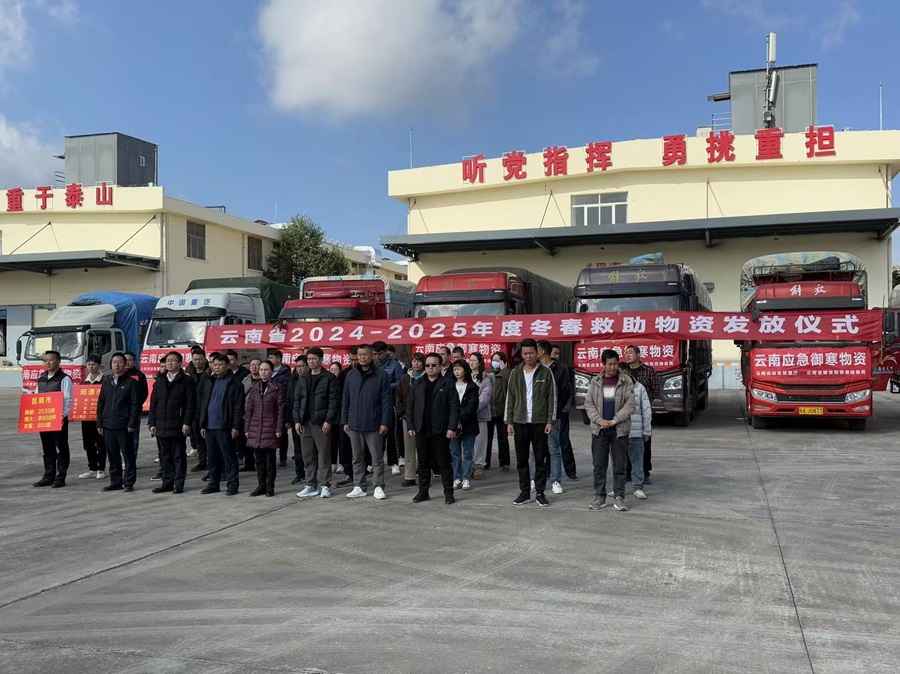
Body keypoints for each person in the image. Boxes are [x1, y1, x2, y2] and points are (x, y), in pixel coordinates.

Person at [505, 338, 556, 507]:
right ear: (521, 354)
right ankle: (525, 492)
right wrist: (509, 421)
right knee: (521, 459)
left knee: (540, 459)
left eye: (531, 353)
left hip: (539, 422)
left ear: (537, 353)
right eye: (525, 353)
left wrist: (550, 420)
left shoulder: (546, 372)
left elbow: (552, 397)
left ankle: (540, 492)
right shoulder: (515, 373)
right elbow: (510, 398)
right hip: (520, 422)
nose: (528, 356)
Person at [584, 349, 636, 512]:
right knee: (599, 464)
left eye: (615, 364)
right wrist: (599, 420)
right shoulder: (595, 382)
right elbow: (589, 403)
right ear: (603, 364)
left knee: (620, 465)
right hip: (599, 429)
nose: (613, 367)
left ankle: (619, 496)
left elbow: (630, 404)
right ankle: (600, 496)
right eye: (609, 364)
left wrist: (615, 420)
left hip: (619, 429)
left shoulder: (626, 381)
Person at [341, 344, 392, 500]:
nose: (362, 357)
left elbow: (386, 402)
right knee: (357, 457)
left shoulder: (381, 375)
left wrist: (385, 422)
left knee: (376, 457)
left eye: (365, 354)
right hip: (354, 422)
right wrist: (345, 421)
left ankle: (378, 486)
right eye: (360, 354)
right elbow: (346, 400)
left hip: (374, 423)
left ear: (372, 356)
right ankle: (359, 486)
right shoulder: (351, 375)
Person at [406, 352, 456, 504]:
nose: (430, 368)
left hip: (440, 430)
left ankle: (448, 493)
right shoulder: (418, 383)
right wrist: (411, 425)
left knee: (444, 463)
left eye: (433, 365)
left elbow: (454, 408)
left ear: (440, 366)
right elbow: (410, 406)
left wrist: (451, 427)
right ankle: (423, 492)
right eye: (427, 365)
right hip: (421, 429)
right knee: (423, 463)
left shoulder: (447, 384)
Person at [293, 347, 340, 499]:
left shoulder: (328, 377)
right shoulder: (303, 378)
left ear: (321, 359)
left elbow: (334, 401)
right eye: (309, 359)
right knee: (308, 456)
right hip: (305, 423)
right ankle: (311, 485)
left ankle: (325, 485)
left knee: (324, 455)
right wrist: (297, 420)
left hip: (321, 423)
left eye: (314, 358)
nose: (311, 361)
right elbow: (297, 400)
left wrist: (328, 420)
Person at [148, 351, 196, 494]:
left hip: (178, 425)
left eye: (173, 360)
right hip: (161, 425)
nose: (169, 363)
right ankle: (167, 483)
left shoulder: (186, 381)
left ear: (180, 363)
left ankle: (179, 483)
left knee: (178, 456)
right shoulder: (160, 380)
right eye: (168, 360)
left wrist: (187, 423)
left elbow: (190, 404)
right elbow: (154, 403)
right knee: (165, 456)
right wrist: (152, 423)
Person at [198, 352, 245, 496]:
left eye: (220, 364)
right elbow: (203, 403)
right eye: (215, 364)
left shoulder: (235, 383)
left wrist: (235, 426)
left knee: (229, 457)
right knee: (212, 458)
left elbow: (238, 407)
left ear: (228, 365)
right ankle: (214, 484)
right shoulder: (209, 381)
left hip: (225, 426)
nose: (217, 367)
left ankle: (232, 485)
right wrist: (202, 424)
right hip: (209, 426)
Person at [97, 352, 141, 492]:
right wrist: (99, 423)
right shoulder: (107, 382)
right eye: (114, 362)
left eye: (120, 362)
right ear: (111, 364)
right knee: (112, 455)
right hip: (108, 424)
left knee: (128, 455)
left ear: (125, 364)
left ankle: (129, 482)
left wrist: (132, 423)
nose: (117, 365)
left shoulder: (131, 382)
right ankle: (115, 482)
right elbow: (101, 403)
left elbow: (135, 405)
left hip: (124, 425)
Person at [32, 350, 73, 488]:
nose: (47, 363)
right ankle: (49, 476)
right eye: (45, 360)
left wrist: (62, 416)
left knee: (61, 448)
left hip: (58, 420)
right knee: (47, 448)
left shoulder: (64, 379)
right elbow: (36, 398)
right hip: (44, 420)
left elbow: (67, 399)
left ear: (58, 361)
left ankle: (60, 477)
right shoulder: (42, 378)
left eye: (51, 360)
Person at [244, 360, 284, 497]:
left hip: (270, 428)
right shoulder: (255, 388)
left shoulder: (277, 388)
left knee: (270, 461)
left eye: (266, 370)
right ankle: (261, 486)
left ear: (272, 372)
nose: (262, 372)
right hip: (256, 428)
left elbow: (280, 410)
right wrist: (247, 428)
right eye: (261, 369)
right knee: (259, 460)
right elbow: (249, 409)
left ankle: (270, 487)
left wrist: (279, 428)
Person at [538, 340, 572, 495]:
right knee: (536, 449)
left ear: (541, 352)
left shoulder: (561, 368)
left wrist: (558, 411)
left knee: (554, 448)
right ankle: (535, 479)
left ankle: (556, 480)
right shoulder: (535, 368)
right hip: (536, 415)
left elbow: (565, 391)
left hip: (554, 414)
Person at [623, 345, 660, 484]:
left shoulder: (648, 371)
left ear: (638, 355)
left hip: (642, 413)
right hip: (626, 414)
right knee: (626, 444)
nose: (627, 355)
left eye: (630, 352)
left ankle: (644, 473)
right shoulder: (623, 371)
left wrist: (645, 402)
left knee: (644, 444)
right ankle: (628, 473)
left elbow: (656, 389)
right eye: (626, 353)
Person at [373, 340, 404, 476]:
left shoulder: (394, 365)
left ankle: (394, 462)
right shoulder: (372, 365)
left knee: (392, 435)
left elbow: (400, 383)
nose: (377, 357)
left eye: (380, 354)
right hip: (374, 404)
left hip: (390, 403)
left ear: (386, 352)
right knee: (374, 435)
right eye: (375, 354)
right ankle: (374, 461)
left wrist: (385, 387)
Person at [449, 359, 479, 490]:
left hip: (469, 424)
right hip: (453, 425)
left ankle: (466, 478)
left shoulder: (472, 387)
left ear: (465, 370)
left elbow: (472, 407)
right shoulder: (450, 386)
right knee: (455, 453)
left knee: (468, 453)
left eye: (459, 369)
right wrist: (454, 422)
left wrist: (460, 420)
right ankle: (457, 478)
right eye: (454, 369)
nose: (456, 372)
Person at [396, 353, 425, 487]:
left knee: (423, 449)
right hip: (407, 418)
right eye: (414, 361)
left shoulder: (428, 378)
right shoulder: (404, 379)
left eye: (419, 361)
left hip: (424, 419)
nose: (416, 363)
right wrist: (403, 415)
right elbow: (398, 398)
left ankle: (424, 476)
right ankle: (409, 476)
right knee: (409, 448)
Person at [551, 344, 578, 481]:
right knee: (548, 443)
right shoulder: (542, 368)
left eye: (558, 353)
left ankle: (570, 470)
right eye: (554, 353)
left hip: (561, 411)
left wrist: (562, 408)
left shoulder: (562, 368)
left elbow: (567, 389)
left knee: (563, 441)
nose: (556, 356)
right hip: (546, 412)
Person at [78, 355, 106, 480]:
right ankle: (92, 468)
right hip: (86, 417)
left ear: (99, 366)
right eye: (89, 364)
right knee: (88, 444)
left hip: (100, 418)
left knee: (101, 444)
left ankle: (101, 468)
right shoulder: (83, 382)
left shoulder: (105, 380)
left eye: (94, 364)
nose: (91, 367)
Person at [335, 348, 358, 487]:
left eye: (356, 359)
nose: (354, 362)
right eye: (352, 359)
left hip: (360, 415)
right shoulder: (344, 374)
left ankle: (361, 474)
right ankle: (348, 473)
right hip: (345, 415)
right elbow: (339, 396)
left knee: (360, 448)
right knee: (345, 446)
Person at [469, 352, 494, 480]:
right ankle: (468, 465)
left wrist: (471, 409)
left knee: (480, 441)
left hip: (480, 415)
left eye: (474, 360)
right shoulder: (465, 377)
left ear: (480, 363)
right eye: (470, 360)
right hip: (466, 416)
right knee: (468, 442)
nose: (471, 362)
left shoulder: (486, 379)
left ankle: (479, 465)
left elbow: (484, 398)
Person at [626, 379, 651, 501]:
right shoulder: (615, 387)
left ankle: (638, 487)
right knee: (618, 463)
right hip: (619, 433)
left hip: (636, 432)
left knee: (637, 462)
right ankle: (618, 487)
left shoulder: (639, 388)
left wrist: (647, 430)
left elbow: (646, 410)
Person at [268, 350, 294, 470]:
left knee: (282, 433)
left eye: (271, 357)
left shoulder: (285, 374)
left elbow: (286, 392)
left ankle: (283, 457)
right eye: (268, 357)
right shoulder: (268, 371)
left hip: (281, 405)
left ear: (279, 359)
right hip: (269, 407)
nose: (269, 359)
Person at [186, 348, 210, 469]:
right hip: (194, 411)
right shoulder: (189, 375)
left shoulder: (210, 374)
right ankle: (202, 461)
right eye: (195, 359)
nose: (197, 362)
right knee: (198, 438)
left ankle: (211, 461)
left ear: (205, 359)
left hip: (207, 411)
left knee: (209, 438)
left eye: (200, 359)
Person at [124, 351, 149, 461]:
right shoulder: (118, 375)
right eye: (125, 360)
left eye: (130, 360)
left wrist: (136, 405)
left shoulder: (139, 375)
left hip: (134, 411)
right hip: (120, 412)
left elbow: (144, 393)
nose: (127, 362)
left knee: (133, 436)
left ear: (134, 362)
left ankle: (131, 460)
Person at [488, 352, 510, 471]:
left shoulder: (508, 373)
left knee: (503, 438)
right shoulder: (488, 373)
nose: (495, 363)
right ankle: (485, 462)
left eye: (498, 360)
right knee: (487, 438)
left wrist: (504, 370)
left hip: (502, 410)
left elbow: (509, 385)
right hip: (489, 411)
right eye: (494, 360)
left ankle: (504, 462)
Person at [329, 360, 344, 470]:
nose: (333, 372)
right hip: (330, 416)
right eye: (331, 370)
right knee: (331, 441)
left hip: (341, 415)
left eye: (335, 370)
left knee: (341, 441)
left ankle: (342, 463)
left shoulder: (343, 383)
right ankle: (333, 462)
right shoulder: (327, 382)